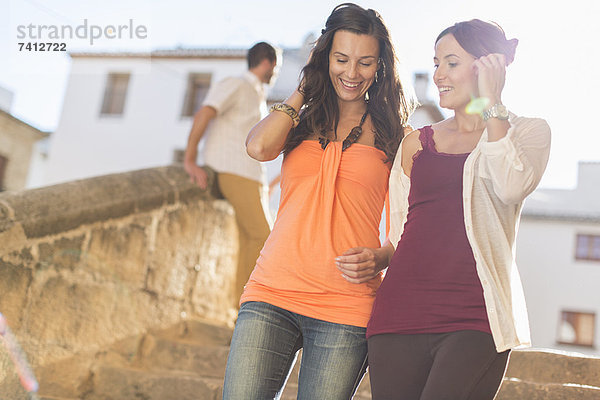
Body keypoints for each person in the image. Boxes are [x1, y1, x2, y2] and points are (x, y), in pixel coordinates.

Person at [349, 19, 551, 400]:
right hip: (398, 314)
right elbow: (401, 230)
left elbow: (510, 186)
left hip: (475, 316)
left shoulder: (528, 133)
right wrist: (380, 256)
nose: (439, 74)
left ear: (488, 66)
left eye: (451, 63)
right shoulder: (415, 144)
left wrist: (491, 106)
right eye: (437, 62)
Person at [222, 3, 413, 399]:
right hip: (271, 291)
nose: (351, 73)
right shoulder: (300, 119)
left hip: (346, 307)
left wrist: (383, 256)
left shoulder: (397, 134)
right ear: (325, 57)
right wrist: (304, 87)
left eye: (365, 62)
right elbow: (257, 147)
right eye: (341, 59)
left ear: (379, 66)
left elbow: (414, 221)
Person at [183, 42, 279, 306]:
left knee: (251, 239)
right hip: (233, 171)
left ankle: (240, 309)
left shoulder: (256, 93)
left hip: (249, 174)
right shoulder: (237, 83)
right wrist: (189, 160)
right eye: (276, 67)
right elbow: (204, 113)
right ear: (268, 63)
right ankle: (247, 308)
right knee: (263, 236)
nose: (276, 72)